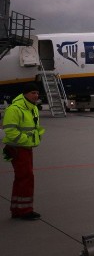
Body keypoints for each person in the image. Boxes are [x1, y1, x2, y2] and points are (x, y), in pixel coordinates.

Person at [3, 82, 45, 220]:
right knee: (26, 178)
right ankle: (25, 210)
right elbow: (10, 131)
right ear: (25, 94)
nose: (36, 95)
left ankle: (17, 209)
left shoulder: (32, 108)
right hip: (18, 148)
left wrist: (35, 138)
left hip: (26, 148)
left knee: (22, 178)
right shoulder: (15, 109)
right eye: (33, 93)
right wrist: (27, 141)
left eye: (37, 93)